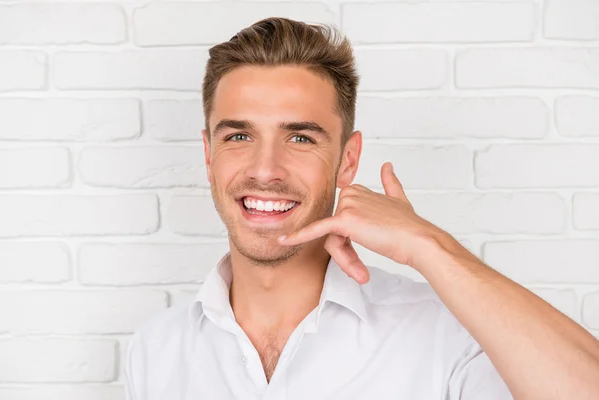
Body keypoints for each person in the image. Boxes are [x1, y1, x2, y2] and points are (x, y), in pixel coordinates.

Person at [124, 17, 599, 400]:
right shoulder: (155, 351)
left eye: (300, 137)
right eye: (239, 136)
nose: (265, 169)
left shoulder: (441, 334)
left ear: (347, 160)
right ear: (209, 155)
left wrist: (427, 246)